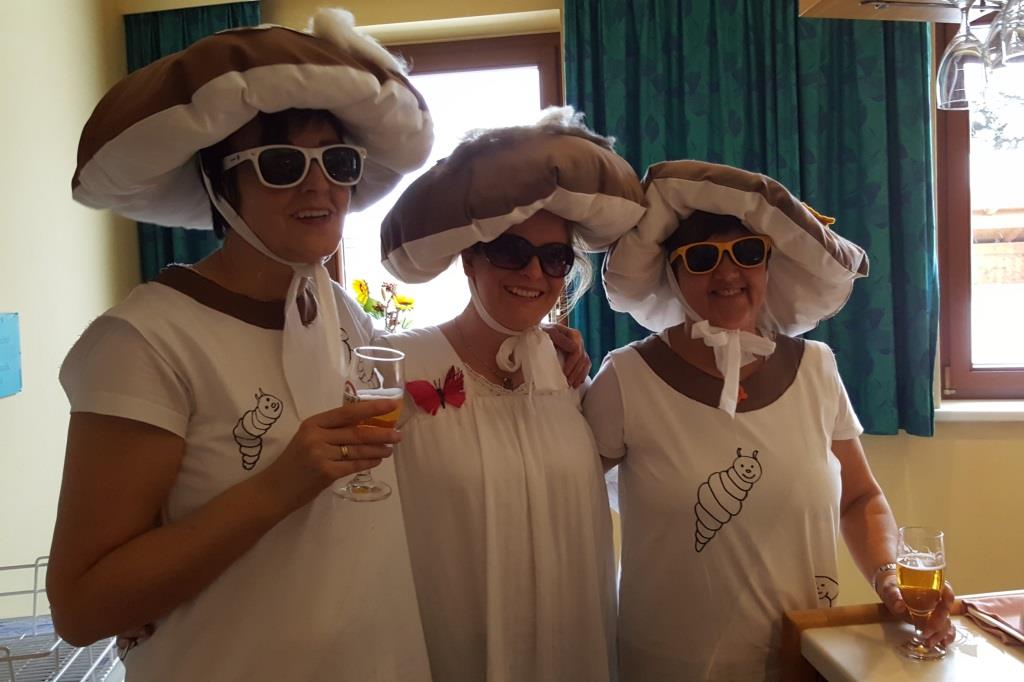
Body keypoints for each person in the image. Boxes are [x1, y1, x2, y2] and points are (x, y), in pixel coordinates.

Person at [48, 10, 437, 681]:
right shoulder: (146, 342)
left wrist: (535, 344)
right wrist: (281, 484)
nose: (320, 185)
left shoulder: (339, 310)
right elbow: (82, 607)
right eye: (282, 164)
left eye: (338, 161)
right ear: (220, 186)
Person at [583, 160, 955, 681]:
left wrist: (889, 576)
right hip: (671, 664)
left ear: (768, 265)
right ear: (673, 274)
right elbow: (566, 501)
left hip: (801, 657)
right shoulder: (626, 377)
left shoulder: (817, 368)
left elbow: (859, 498)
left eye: (748, 253)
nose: (728, 273)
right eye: (702, 258)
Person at [377, 108, 646, 681]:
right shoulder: (402, 365)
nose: (533, 272)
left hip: (573, 648)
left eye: (554, 258)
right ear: (470, 258)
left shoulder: (566, 373)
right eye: (509, 250)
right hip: (453, 651)